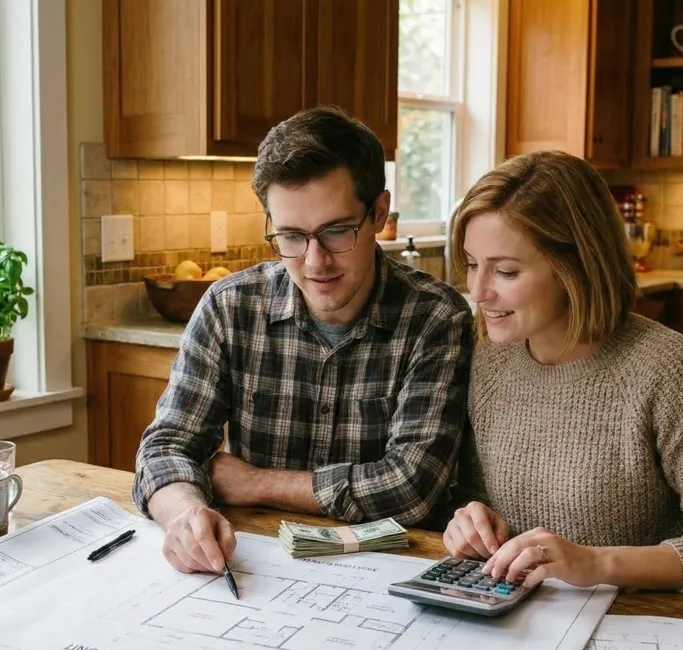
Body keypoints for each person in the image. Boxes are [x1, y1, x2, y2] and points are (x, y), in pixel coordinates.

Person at [134, 106, 475, 575]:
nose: (315, 262)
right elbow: (166, 449)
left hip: (391, 573)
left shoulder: (435, 317)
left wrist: (254, 483)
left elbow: (412, 488)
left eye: (336, 232)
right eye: (291, 236)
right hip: (255, 568)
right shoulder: (230, 307)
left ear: (378, 212)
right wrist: (184, 514)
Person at [444, 150, 683, 593]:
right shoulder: (489, 356)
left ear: (575, 266)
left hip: (640, 624)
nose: (478, 291)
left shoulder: (665, 368)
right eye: (470, 264)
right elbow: (478, 492)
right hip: (519, 619)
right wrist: (468, 519)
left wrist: (597, 564)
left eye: (505, 270)